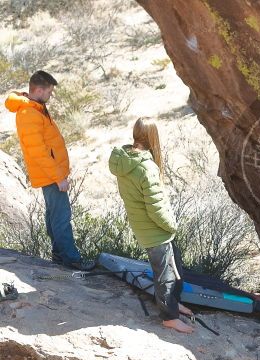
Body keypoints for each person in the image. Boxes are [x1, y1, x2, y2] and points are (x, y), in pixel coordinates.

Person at [108, 118, 194, 334]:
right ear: (152, 137)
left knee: (175, 269)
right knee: (165, 275)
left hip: (143, 226)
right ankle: (169, 317)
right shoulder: (146, 168)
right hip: (155, 229)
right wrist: (171, 225)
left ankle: (173, 304)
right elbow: (156, 208)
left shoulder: (125, 160)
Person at [4, 70, 95, 270]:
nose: (50, 96)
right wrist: (59, 177)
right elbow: (39, 152)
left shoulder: (36, 107)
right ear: (38, 89)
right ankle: (72, 260)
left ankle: (60, 257)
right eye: (49, 91)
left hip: (50, 173)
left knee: (54, 215)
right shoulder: (29, 113)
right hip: (50, 175)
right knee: (61, 216)